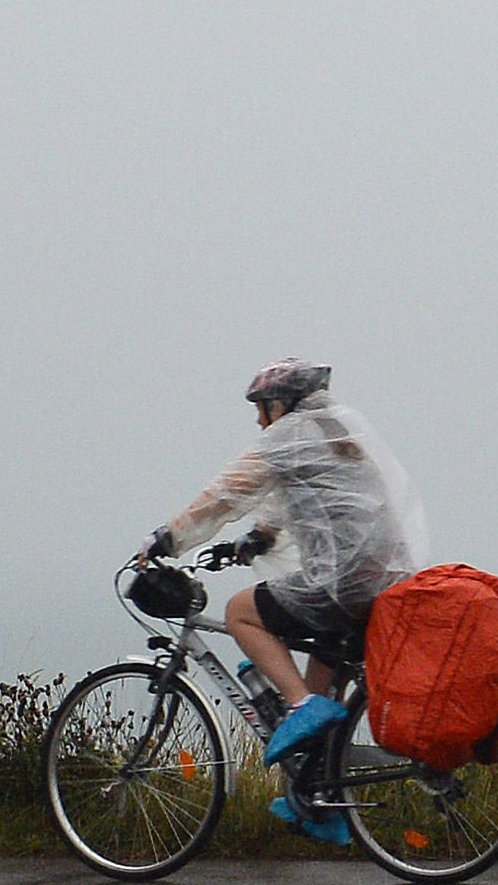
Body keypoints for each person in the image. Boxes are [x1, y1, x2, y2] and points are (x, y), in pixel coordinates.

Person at [139, 360, 425, 843]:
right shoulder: (337, 431)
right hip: (383, 581)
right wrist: (254, 540)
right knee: (320, 696)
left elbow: (224, 495)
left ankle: (300, 707)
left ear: (281, 404)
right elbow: (305, 501)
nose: (257, 420)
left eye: (261, 408)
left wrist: (167, 539)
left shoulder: (291, 434)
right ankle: (320, 801)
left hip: (343, 584)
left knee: (240, 613)